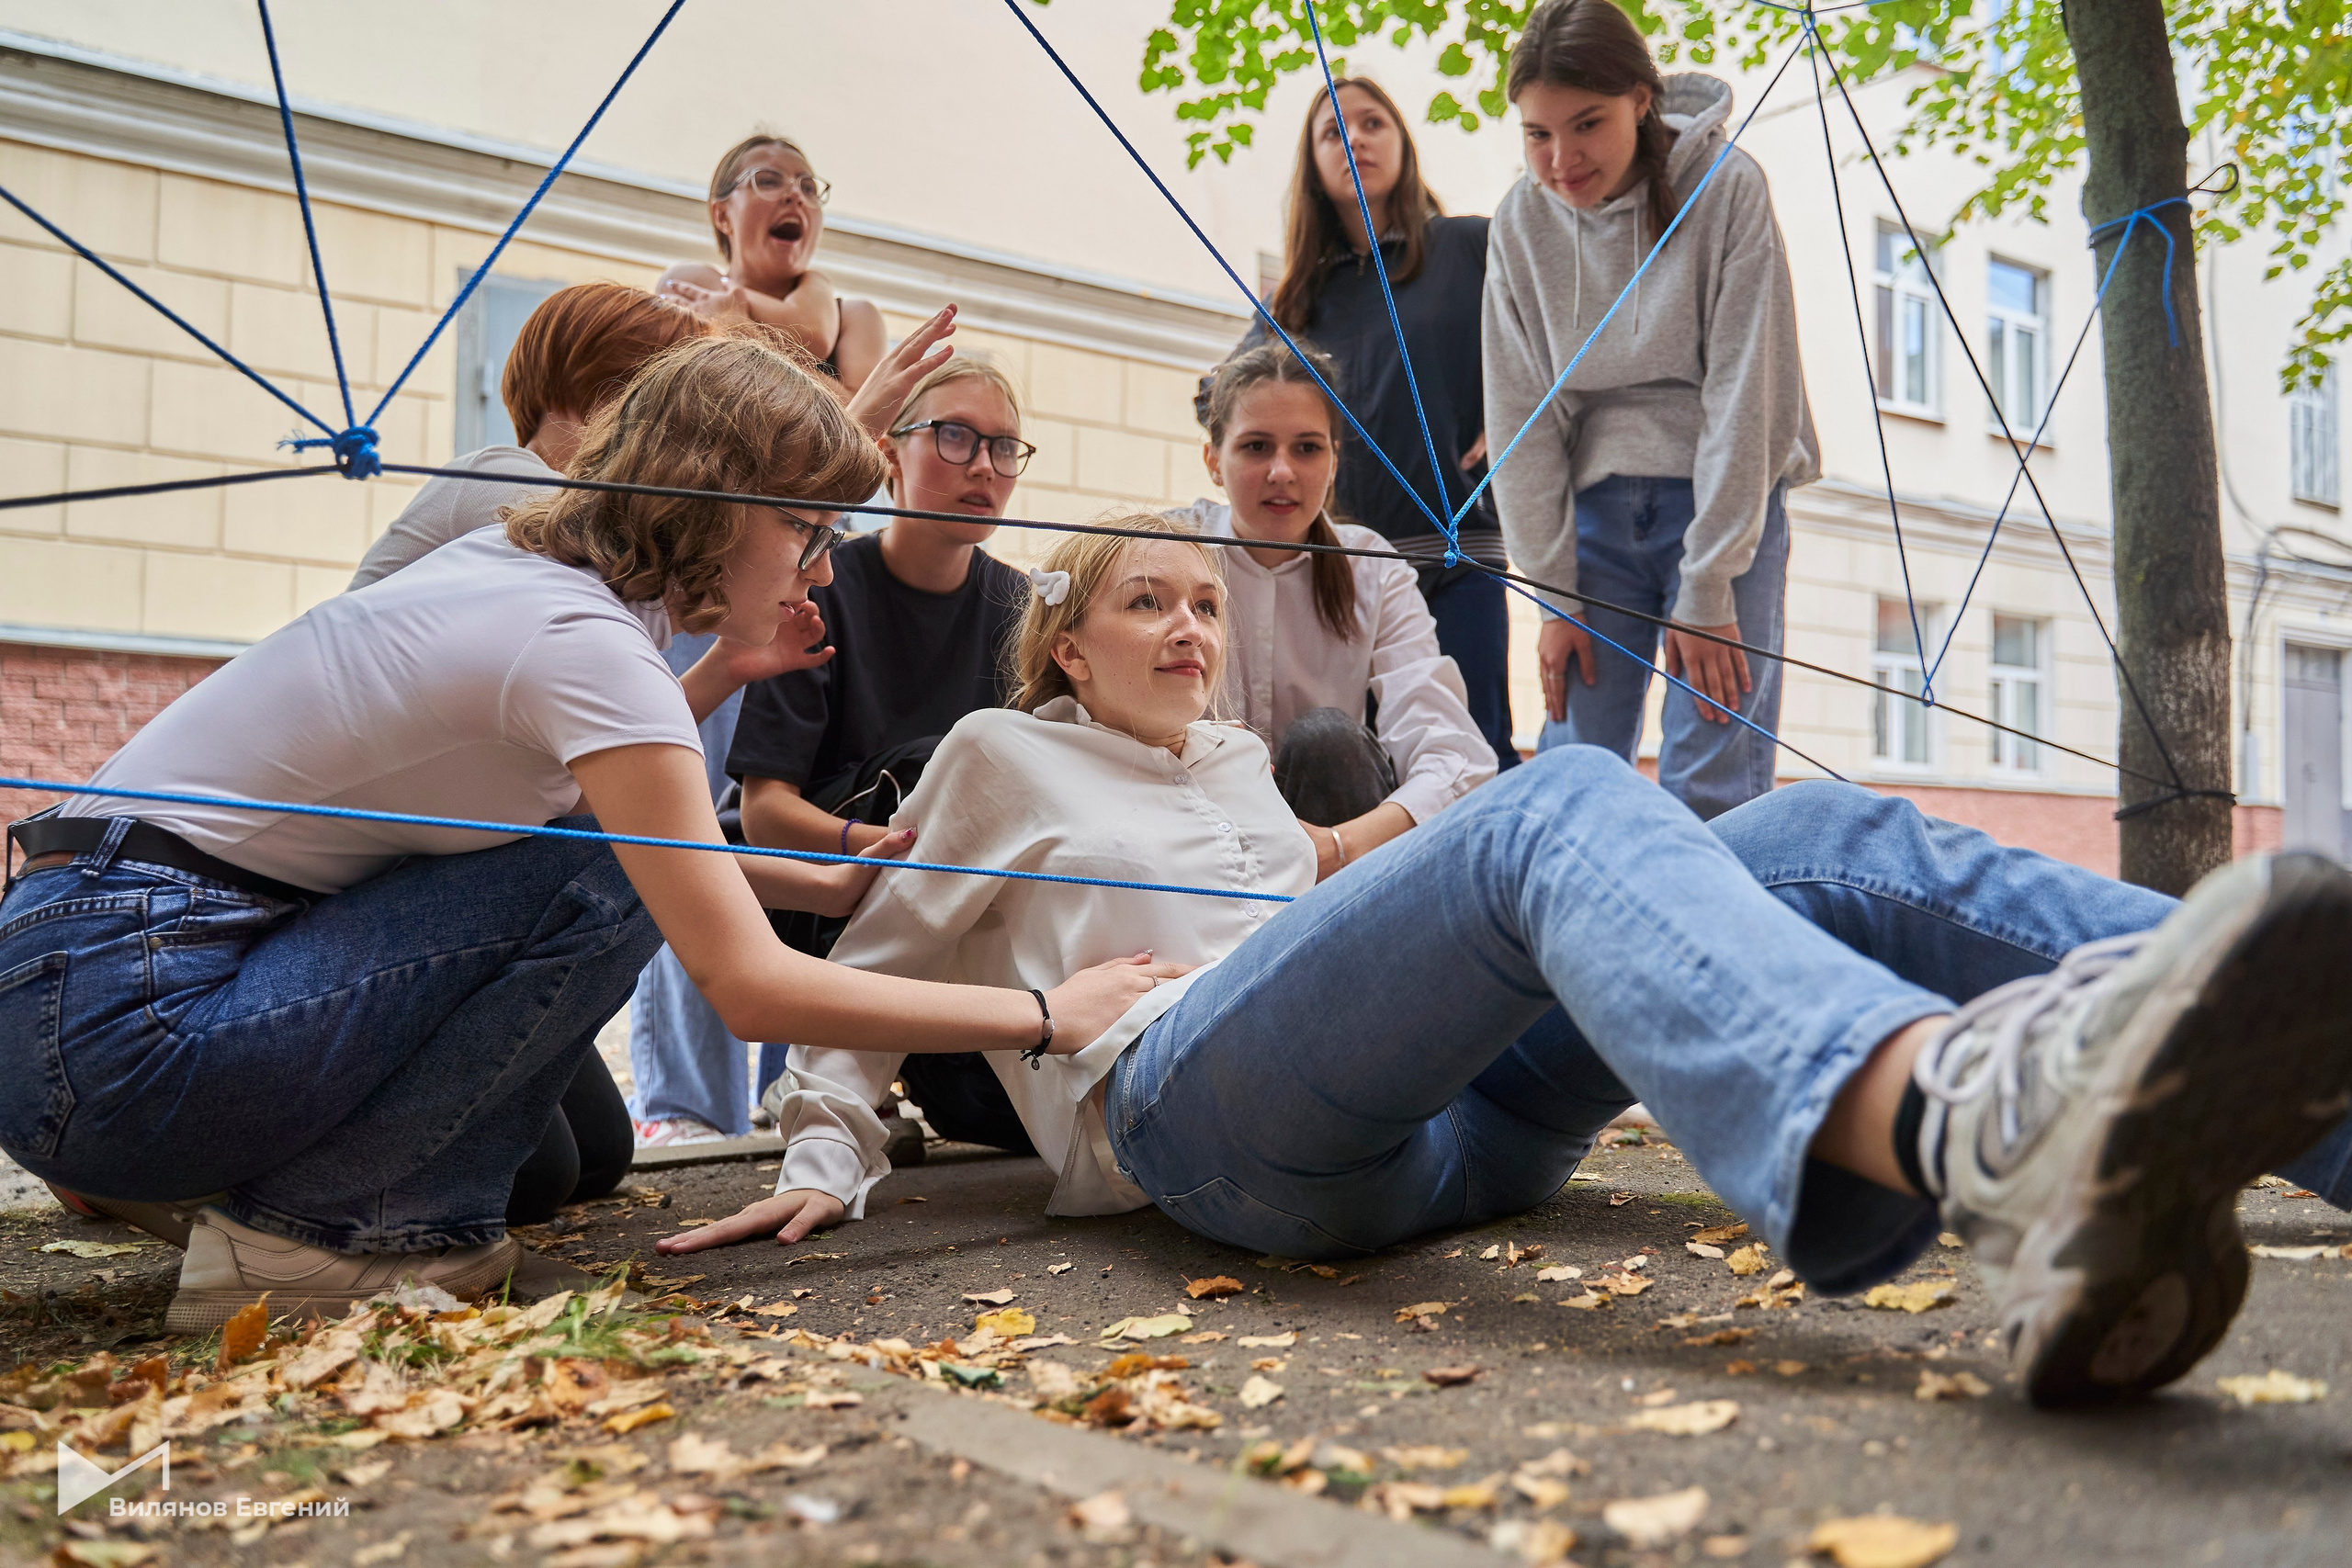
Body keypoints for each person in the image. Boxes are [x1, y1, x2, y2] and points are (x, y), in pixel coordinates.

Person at [660, 520, 2352, 1410]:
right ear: (1067, 640)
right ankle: (1982, 1134)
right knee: (1563, 803)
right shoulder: (999, 755)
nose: (1189, 629)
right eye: (1146, 604)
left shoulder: (1242, 766)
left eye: (1203, 607)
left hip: (1451, 1118)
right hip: (1204, 1120)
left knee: (1806, 834)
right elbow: (864, 968)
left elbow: (1378, 896)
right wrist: (830, 1143)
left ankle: (2312, 1057)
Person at [0, 334, 1178, 1329]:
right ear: (725, 510)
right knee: (610, 876)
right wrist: (1043, 1015)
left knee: (578, 1142)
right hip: (120, 1028)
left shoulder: (524, 571)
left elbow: (581, 798)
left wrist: (830, 874)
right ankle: (324, 1241)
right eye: (808, 531)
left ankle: (241, 1192)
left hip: (80, 978)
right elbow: (741, 979)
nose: (820, 565)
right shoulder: (586, 645)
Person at [1484, 0, 1818, 819]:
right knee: (1576, 783)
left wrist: (1710, 586)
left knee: (1710, 790)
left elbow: (1750, 391)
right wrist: (1553, 593)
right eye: (1537, 134)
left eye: (1586, 124)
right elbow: (1520, 413)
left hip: (1724, 510)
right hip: (1593, 515)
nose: (1561, 159)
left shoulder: (1728, 187)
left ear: (1642, 99)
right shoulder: (1521, 221)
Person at [724, 358, 1038, 1156]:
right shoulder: (822, 583)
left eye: (1004, 447)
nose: (982, 467)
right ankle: (838, 1077)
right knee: (950, 757)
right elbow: (762, 813)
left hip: (966, 915)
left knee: (994, 1122)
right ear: (891, 455)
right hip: (827, 897)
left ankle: (910, 1080)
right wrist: (900, 851)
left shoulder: (1022, 609)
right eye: (956, 436)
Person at [1216, 76, 1520, 767]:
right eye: (1333, 130)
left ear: (1403, 143)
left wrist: (1521, 413)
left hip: (1458, 552)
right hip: (1351, 575)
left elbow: (1564, 327)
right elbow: (1219, 398)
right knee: (1365, 758)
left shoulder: (1470, 247)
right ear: (1313, 167)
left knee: (1471, 753)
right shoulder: (1296, 298)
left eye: (1373, 122)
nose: (1355, 138)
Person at [1169, 341, 1494, 874]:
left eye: (1307, 448)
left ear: (1334, 461)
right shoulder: (1170, 549)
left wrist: (1339, 845)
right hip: (1194, 832)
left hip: (1338, 857)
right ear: (1213, 461)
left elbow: (1455, 759)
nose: (1282, 472)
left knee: (1327, 741)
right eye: (1255, 447)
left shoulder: (1372, 567)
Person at [658, 132, 885, 392]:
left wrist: (742, 331)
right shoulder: (690, 282)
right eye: (767, 181)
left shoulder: (855, 317)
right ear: (722, 215)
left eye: (808, 188)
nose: (795, 194)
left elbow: (865, 423)